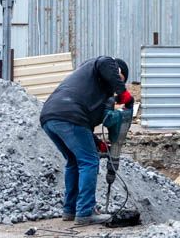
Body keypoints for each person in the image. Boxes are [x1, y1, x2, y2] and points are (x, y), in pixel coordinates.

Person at [40, 56, 132, 226]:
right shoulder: (104, 63)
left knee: (74, 161)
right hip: (69, 116)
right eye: (119, 80)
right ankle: (85, 212)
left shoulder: (91, 86)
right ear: (117, 72)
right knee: (89, 161)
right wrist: (124, 93)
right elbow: (106, 63)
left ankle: (71, 210)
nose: (116, 86)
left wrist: (97, 143)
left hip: (50, 117)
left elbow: (83, 128)